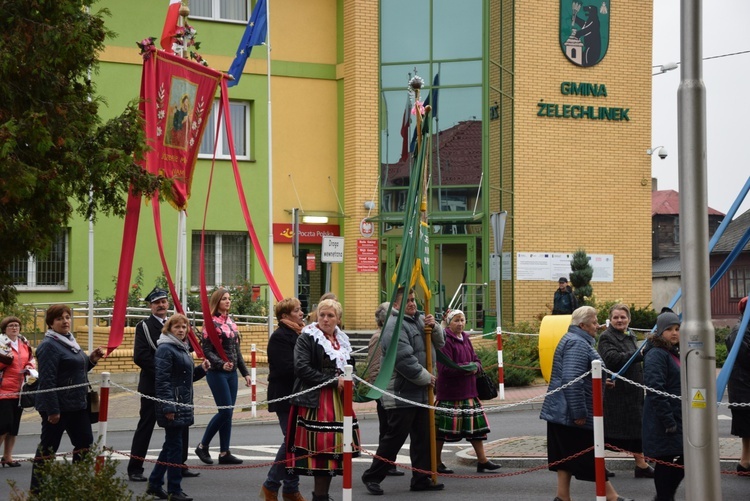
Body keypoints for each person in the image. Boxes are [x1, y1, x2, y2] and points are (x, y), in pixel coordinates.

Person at [540, 306, 632, 501]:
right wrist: (579, 413)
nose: (597, 325)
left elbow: (578, 375)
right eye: (593, 322)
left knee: (565, 457)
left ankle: (562, 497)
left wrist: (598, 380)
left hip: (561, 412)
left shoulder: (574, 339)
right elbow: (571, 379)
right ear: (582, 325)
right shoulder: (578, 344)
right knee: (590, 455)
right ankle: (612, 497)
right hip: (570, 413)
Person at [361, 287, 446, 495]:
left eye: (413, 300)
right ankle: (372, 476)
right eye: (407, 301)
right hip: (401, 393)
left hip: (421, 391)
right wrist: (428, 378)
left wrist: (434, 327)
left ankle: (421, 478)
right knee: (394, 439)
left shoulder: (418, 319)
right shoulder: (393, 326)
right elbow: (403, 360)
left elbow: (440, 344)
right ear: (396, 305)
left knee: (423, 438)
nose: (412, 304)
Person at [287, 299, 360, 501]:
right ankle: (319, 496)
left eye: (330, 316)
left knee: (336, 449)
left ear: (338, 319)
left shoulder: (341, 339)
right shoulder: (308, 337)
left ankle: (322, 495)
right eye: (322, 315)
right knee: (321, 450)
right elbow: (301, 368)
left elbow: (349, 365)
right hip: (317, 400)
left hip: (338, 400)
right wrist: (331, 381)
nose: (325, 319)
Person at [128, 287, 201, 481]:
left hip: (176, 387)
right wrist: (165, 373)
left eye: (163, 301)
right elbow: (141, 356)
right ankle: (135, 468)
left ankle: (180, 464)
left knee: (181, 425)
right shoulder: (143, 326)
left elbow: (190, 348)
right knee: (146, 425)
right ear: (151, 306)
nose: (161, 305)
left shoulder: (177, 323)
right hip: (153, 386)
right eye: (156, 302)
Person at [30, 304, 105, 492]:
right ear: (50, 323)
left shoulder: (69, 340)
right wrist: (53, 411)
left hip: (77, 405)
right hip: (57, 407)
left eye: (67, 317)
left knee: (85, 444)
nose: (65, 321)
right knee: (48, 448)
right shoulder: (49, 345)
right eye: (59, 318)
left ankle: (76, 484)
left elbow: (76, 370)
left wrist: (91, 360)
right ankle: (37, 490)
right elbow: (47, 381)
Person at [147, 314, 208, 501]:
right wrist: (168, 406)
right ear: (169, 329)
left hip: (182, 402)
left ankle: (155, 484)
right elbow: (162, 380)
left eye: (184, 327)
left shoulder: (181, 348)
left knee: (171, 446)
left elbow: (184, 379)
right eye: (177, 327)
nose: (181, 330)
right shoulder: (166, 348)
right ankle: (174, 490)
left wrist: (201, 370)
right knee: (174, 447)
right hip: (172, 404)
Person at [435, 309, 500, 474]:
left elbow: (476, 359)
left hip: (469, 391)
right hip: (450, 394)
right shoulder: (444, 340)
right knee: (441, 432)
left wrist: (476, 366)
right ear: (449, 322)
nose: (460, 324)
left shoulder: (466, 338)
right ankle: (436, 462)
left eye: (462, 320)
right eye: (456, 320)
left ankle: (483, 461)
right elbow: (444, 368)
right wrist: (467, 368)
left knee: (477, 431)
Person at [195, 289, 252, 465]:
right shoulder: (210, 323)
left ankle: (224, 452)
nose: (228, 301)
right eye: (224, 299)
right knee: (225, 411)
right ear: (216, 302)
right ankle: (202, 446)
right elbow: (206, 350)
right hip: (217, 373)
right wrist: (221, 364)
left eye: (229, 298)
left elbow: (237, 352)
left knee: (229, 413)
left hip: (232, 374)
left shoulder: (231, 322)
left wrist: (245, 373)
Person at [596, 303, 654, 478]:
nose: (620, 320)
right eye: (616, 317)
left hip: (633, 392)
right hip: (617, 395)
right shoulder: (606, 337)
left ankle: (641, 464)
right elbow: (612, 359)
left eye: (623, 317)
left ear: (629, 319)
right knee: (608, 433)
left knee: (637, 429)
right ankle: (599, 464)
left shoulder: (630, 335)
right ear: (610, 319)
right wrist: (639, 355)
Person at [260, 298, 307, 501]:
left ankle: (290, 489)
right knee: (292, 442)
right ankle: (271, 485)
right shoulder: (280, 337)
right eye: (297, 310)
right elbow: (287, 368)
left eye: (300, 309)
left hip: (300, 395)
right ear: (285, 316)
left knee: (297, 443)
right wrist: (309, 370)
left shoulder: (300, 334)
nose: (301, 313)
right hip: (285, 396)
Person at [642, 309, 684, 501]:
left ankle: (664, 497)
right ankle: (664, 497)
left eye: (677, 328)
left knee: (679, 460)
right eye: (669, 329)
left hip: (675, 416)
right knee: (666, 461)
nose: (675, 332)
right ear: (660, 332)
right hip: (664, 419)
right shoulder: (657, 354)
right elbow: (655, 389)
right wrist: (668, 421)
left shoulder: (671, 352)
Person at [365, 302, 404, 477]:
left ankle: (389, 463)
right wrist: (379, 390)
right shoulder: (378, 338)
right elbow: (374, 367)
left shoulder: (390, 335)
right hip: (383, 389)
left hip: (392, 389)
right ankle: (384, 465)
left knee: (391, 429)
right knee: (387, 430)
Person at [0, 316, 36, 467]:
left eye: (16, 325)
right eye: (11, 326)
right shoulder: (1, 343)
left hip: (19, 389)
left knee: (14, 427)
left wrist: (30, 368)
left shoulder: (24, 343)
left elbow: (31, 359)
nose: (14, 328)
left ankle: (8, 457)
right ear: (4, 329)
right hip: (3, 390)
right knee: (3, 425)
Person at [727, 296, 750, 473]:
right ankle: (745, 462)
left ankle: (745, 462)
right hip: (744, 388)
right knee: (747, 429)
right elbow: (745, 357)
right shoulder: (739, 330)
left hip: (744, 386)